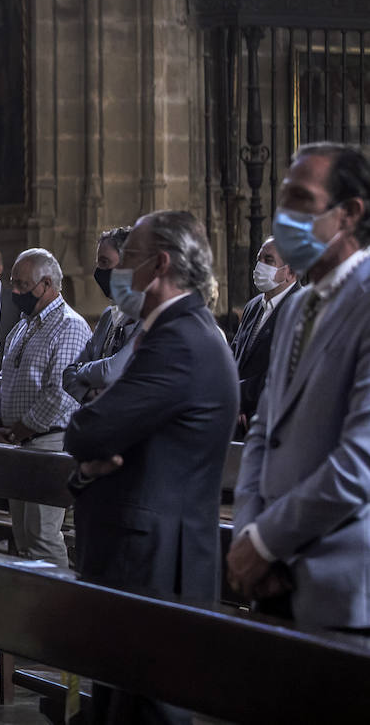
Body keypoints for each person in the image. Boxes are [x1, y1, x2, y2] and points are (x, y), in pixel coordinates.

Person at [64, 210, 238, 725]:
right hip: (140, 559)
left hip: (158, 565)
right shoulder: (166, 332)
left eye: (129, 259)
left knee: (147, 715)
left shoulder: (179, 341)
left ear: (159, 265)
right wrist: (89, 472)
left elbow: (86, 430)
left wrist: (90, 453)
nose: (120, 272)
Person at [230, 143, 370, 635]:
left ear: (349, 213)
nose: (284, 215)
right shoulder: (298, 304)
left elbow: (359, 463)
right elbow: (265, 428)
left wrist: (265, 541)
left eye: (299, 201)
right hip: (271, 574)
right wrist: (247, 530)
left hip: (341, 575)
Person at [0, 249, 91, 567]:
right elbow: (3, 378)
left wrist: (22, 427)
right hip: (17, 442)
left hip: (49, 441)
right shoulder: (23, 326)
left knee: (43, 536)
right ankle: (27, 609)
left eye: (21, 285)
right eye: (13, 283)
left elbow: (61, 392)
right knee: (22, 536)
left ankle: (58, 612)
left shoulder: (69, 326)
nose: (14, 291)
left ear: (46, 284)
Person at [62, 227, 142, 404]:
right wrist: (89, 394)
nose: (99, 271)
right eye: (98, 263)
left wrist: (82, 370)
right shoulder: (108, 316)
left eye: (105, 262)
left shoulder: (147, 316)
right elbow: (68, 374)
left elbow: (111, 372)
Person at [229, 237, 296, 435]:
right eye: (259, 259)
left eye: (269, 260)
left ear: (290, 271)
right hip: (237, 418)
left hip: (269, 420)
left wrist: (238, 396)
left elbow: (283, 373)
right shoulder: (253, 306)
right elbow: (235, 356)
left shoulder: (298, 310)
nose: (260, 266)